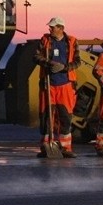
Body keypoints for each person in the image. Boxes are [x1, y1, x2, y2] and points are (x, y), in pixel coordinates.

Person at [33, 17, 81, 158]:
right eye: (50, 27)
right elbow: (36, 57)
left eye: (53, 27)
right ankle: (46, 146)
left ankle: (65, 147)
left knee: (65, 117)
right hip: (49, 84)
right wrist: (48, 63)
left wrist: (65, 67)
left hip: (65, 84)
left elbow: (77, 62)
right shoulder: (45, 40)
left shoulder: (72, 42)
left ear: (61, 28)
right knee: (47, 117)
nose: (50, 29)